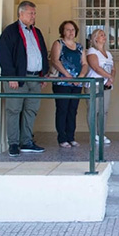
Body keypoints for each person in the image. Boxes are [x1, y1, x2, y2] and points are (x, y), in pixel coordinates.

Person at [0, 1, 49, 157]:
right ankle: (13, 143)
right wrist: (11, 76)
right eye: (30, 13)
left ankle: (27, 141)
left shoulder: (36, 31)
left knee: (31, 110)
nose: (33, 16)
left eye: (34, 13)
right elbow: (4, 56)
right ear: (21, 14)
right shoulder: (10, 31)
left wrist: (44, 74)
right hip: (17, 78)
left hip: (35, 77)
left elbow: (42, 52)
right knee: (14, 110)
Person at [50, 20, 88, 148]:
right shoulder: (59, 43)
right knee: (62, 109)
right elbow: (55, 61)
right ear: (63, 31)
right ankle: (62, 138)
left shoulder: (80, 47)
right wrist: (68, 76)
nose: (71, 32)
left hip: (76, 84)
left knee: (73, 110)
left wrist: (81, 77)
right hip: (62, 83)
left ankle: (71, 137)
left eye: (73, 30)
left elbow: (84, 63)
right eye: (68, 29)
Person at [86, 29, 115, 145]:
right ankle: (93, 135)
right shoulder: (92, 51)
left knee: (104, 111)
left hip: (106, 85)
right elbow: (96, 67)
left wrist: (111, 78)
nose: (104, 37)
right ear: (95, 38)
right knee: (94, 110)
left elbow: (113, 68)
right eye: (101, 35)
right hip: (95, 85)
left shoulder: (108, 53)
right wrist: (109, 76)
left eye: (104, 35)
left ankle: (101, 134)